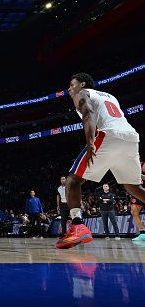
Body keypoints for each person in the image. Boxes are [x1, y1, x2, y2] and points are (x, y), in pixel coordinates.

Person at [56, 73, 144, 249]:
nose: (69, 89)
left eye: (71, 85)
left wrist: (90, 143)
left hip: (108, 136)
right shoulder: (109, 96)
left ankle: (78, 225)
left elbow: (88, 113)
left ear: (82, 84)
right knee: (133, 187)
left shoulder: (83, 93)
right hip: (131, 139)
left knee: (73, 181)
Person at [128, 161, 145, 241]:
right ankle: (142, 233)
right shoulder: (131, 166)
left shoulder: (143, 165)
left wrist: (139, 175)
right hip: (137, 190)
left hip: (143, 190)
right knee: (134, 211)